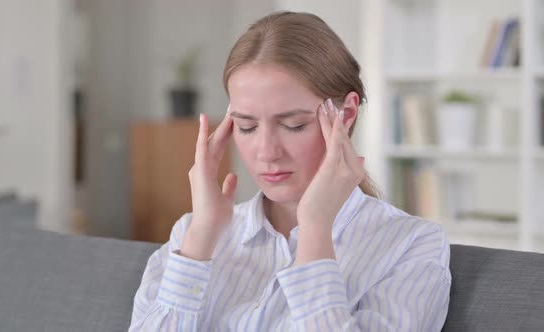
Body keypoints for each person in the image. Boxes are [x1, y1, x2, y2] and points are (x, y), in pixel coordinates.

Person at [129, 11, 451, 331]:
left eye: (293, 125)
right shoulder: (191, 235)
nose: (267, 152)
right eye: (247, 126)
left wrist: (314, 229)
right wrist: (200, 237)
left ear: (346, 113)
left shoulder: (412, 244)